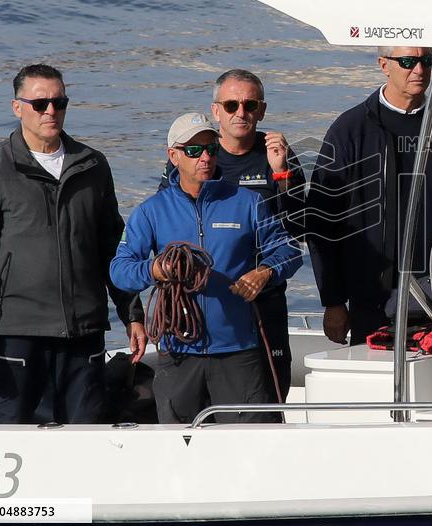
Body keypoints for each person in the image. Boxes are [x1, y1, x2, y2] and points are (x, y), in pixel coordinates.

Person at [0, 63, 147, 424]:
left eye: (59, 103)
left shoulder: (92, 165)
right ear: (17, 107)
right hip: (17, 335)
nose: (51, 111)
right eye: (40, 103)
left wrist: (132, 314)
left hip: (84, 332)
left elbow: (112, 249)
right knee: (17, 437)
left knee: (87, 436)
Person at [112, 113, 303, 423]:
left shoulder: (247, 202)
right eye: (193, 150)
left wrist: (265, 271)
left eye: (211, 149)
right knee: (178, 444)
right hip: (178, 354)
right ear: (173, 155)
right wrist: (155, 270)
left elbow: (289, 250)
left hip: (239, 352)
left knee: (250, 445)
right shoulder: (151, 211)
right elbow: (120, 270)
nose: (205, 157)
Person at [306, 46, 432, 346]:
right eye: (407, 61)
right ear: (384, 65)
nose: (419, 70)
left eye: (426, 61)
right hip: (371, 298)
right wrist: (333, 300)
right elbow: (321, 222)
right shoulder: (349, 130)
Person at [159, 69, 305, 400]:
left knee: (268, 396)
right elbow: (166, 220)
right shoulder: (195, 155)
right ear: (216, 111)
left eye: (250, 105)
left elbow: (298, 230)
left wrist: (282, 173)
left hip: (263, 295)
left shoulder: (276, 153)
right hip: (204, 299)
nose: (241, 113)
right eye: (231, 105)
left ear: (261, 111)